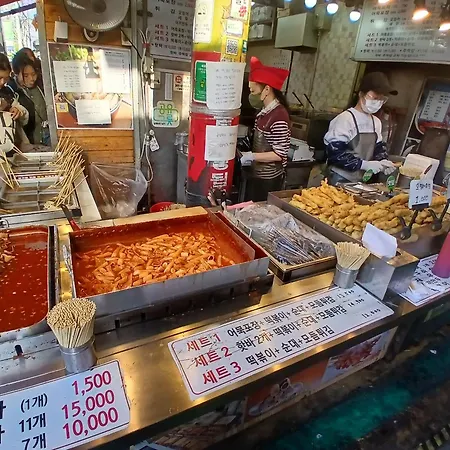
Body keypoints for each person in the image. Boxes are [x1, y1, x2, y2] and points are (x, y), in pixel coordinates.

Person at [324, 72, 398, 184]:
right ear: (361, 94)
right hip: (339, 178)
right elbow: (335, 153)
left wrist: (383, 161)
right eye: (374, 97)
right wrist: (364, 164)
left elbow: (378, 148)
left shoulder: (376, 122)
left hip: (360, 180)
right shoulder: (345, 119)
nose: (378, 102)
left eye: (382, 99)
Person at [240, 56, 291, 202]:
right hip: (258, 174)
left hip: (269, 179)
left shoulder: (279, 115)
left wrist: (252, 156)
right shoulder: (264, 112)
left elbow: (280, 154)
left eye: (253, 91)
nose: (251, 96)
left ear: (267, 89)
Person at [12, 54, 49, 145]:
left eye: (33, 74)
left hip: (45, 137)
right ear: (16, 74)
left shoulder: (41, 86)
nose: (32, 79)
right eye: (26, 76)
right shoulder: (13, 92)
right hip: (28, 142)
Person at [0, 53, 29, 156]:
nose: (2, 82)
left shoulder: (6, 92)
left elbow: (24, 114)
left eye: (5, 78)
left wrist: (18, 111)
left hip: (12, 150)